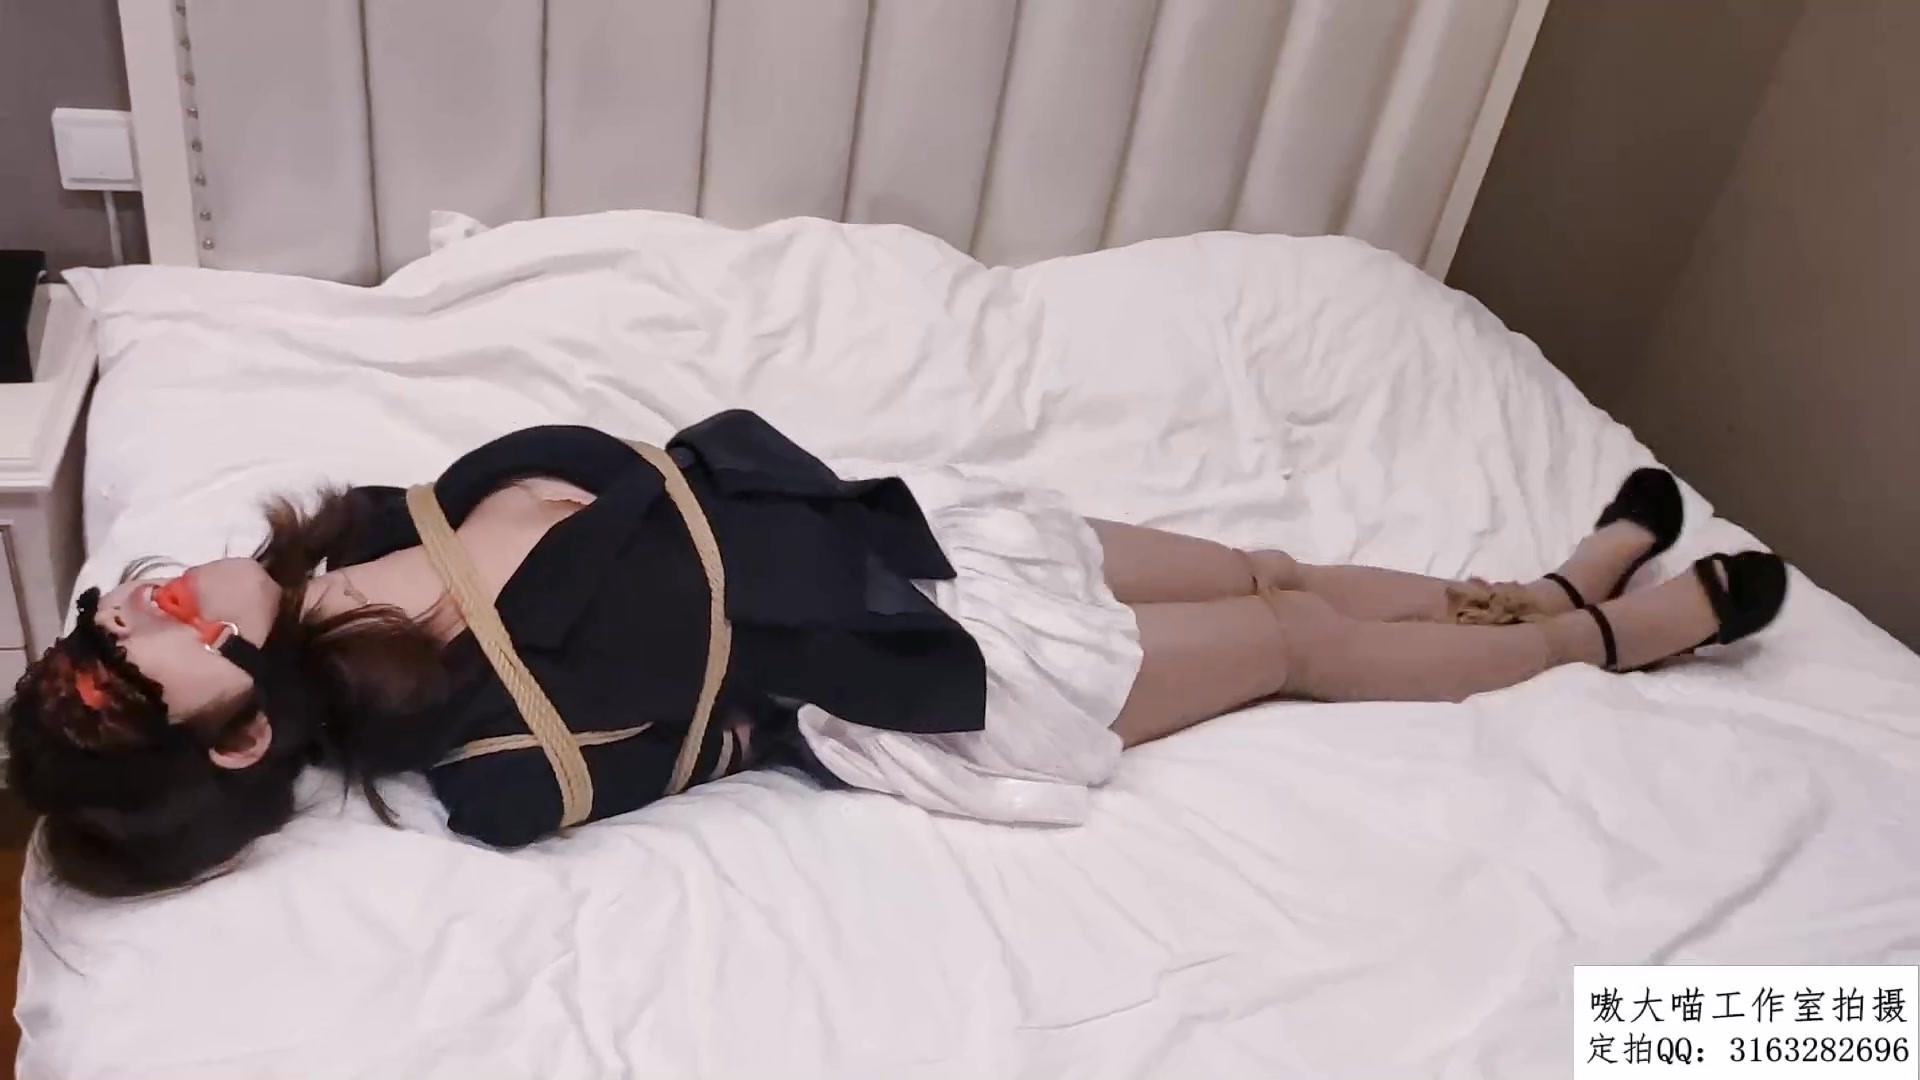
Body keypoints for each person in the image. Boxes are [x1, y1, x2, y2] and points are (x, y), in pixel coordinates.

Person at [3, 410, 1787, 898]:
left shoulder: (365, 531)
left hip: (899, 532)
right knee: (1298, 638)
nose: (131, 608)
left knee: (1275, 564)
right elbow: (690, 735)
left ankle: (1535, 586)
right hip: (929, 661)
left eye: (102, 617)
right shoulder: (467, 758)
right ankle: (1611, 633)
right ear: (236, 742)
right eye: (125, 673)